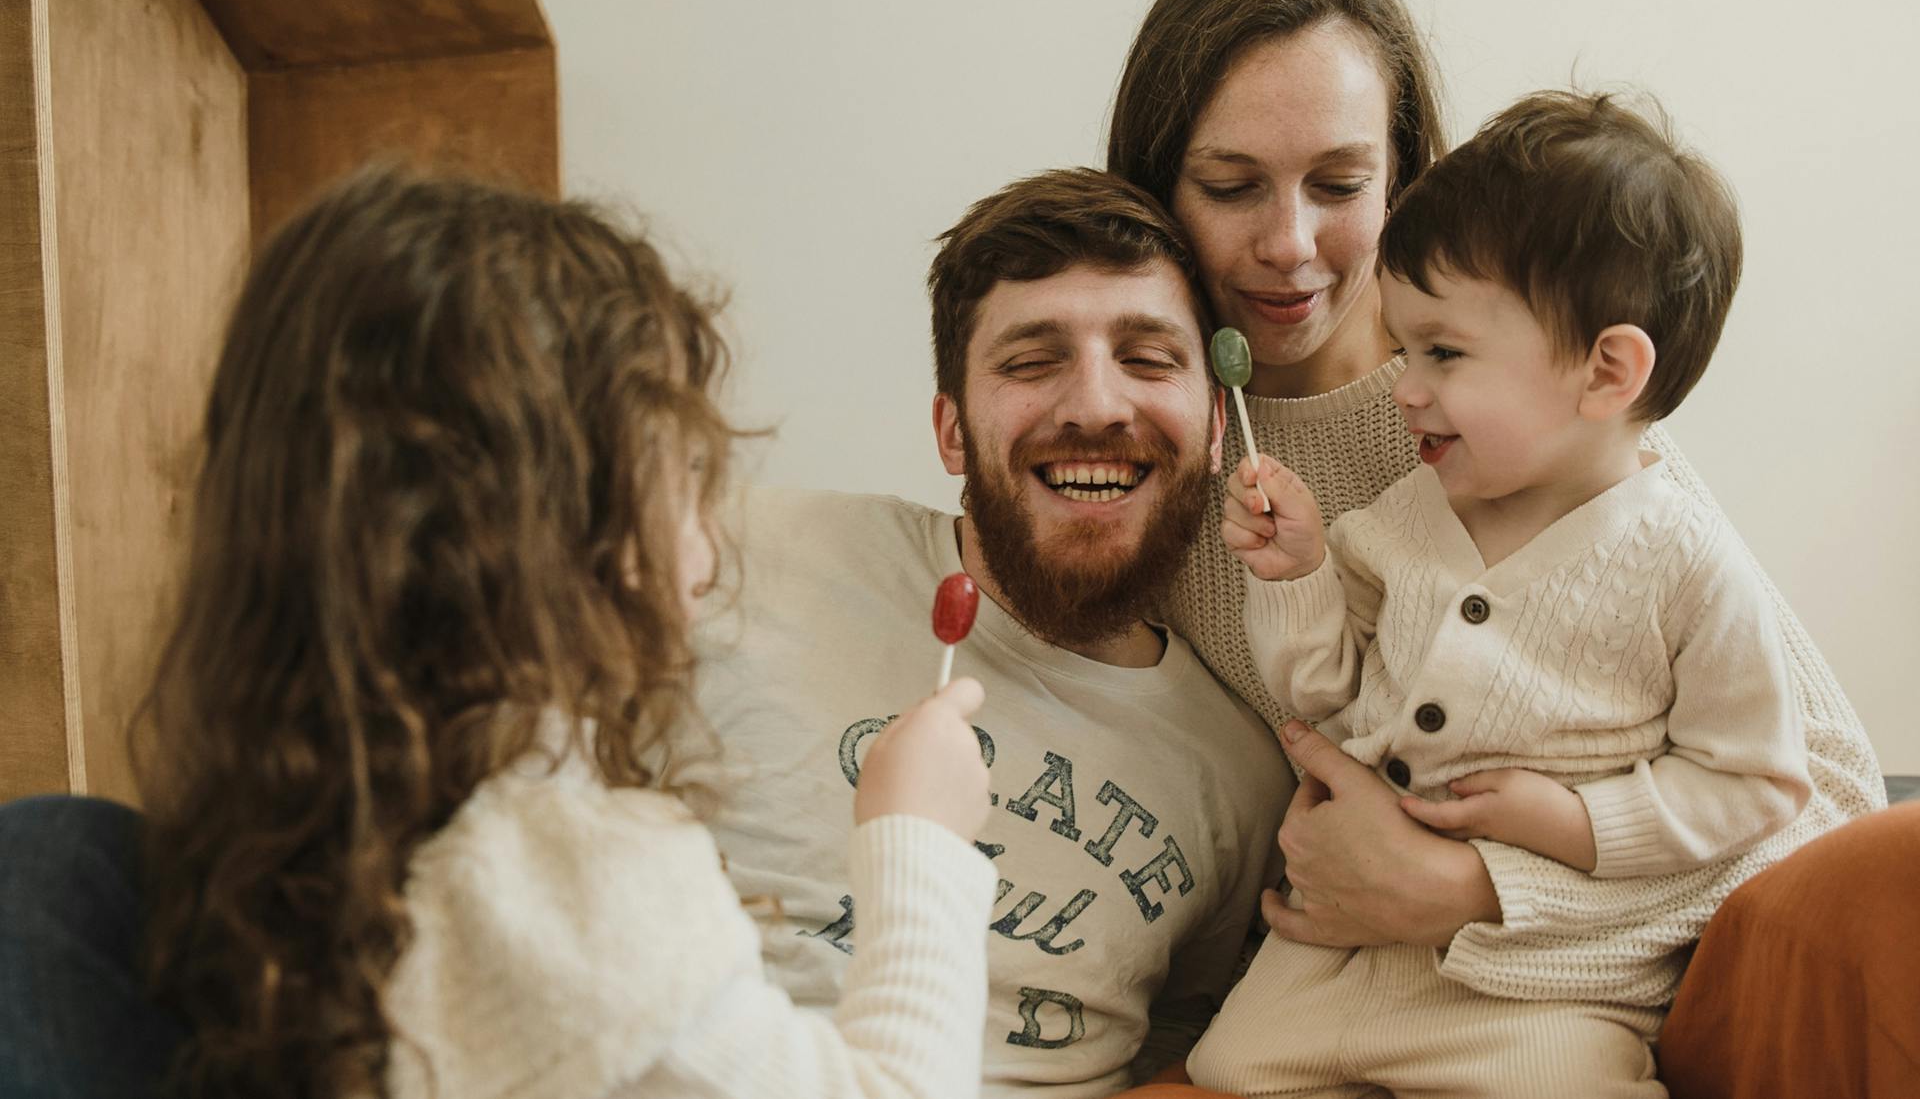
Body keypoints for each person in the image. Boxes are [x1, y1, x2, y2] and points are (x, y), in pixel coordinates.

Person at [1103, 0, 1884, 1091]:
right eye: (1229, 187)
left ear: (1408, 180)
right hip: (1310, 992)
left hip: (1544, 1003)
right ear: (1158, 191)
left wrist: (1482, 892)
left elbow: (1824, 802)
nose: (1289, 243)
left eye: (1340, 184)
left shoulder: (1550, 426)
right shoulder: (1151, 462)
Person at [119, 169, 998, 1099]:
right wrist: (920, 840)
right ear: (561, 516)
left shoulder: (317, 833)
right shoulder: (553, 865)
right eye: (690, 471)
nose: (712, 543)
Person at [1187, 90, 1811, 1097]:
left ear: (1606, 371)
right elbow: (1327, 698)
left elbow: (1760, 785)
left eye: (1443, 352)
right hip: (1335, 965)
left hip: (1537, 989)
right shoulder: (1404, 516)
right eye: (1403, 346)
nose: (1405, 385)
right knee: (1226, 1068)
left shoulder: (1688, 563)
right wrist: (1298, 578)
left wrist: (1573, 824)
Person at [692, 167, 1288, 1098]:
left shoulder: (1247, 776)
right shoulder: (736, 552)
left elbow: (1189, 1038)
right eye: (1032, 360)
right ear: (953, 432)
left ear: (1218, 426)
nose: (1095, 405)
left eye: (1147, 356)